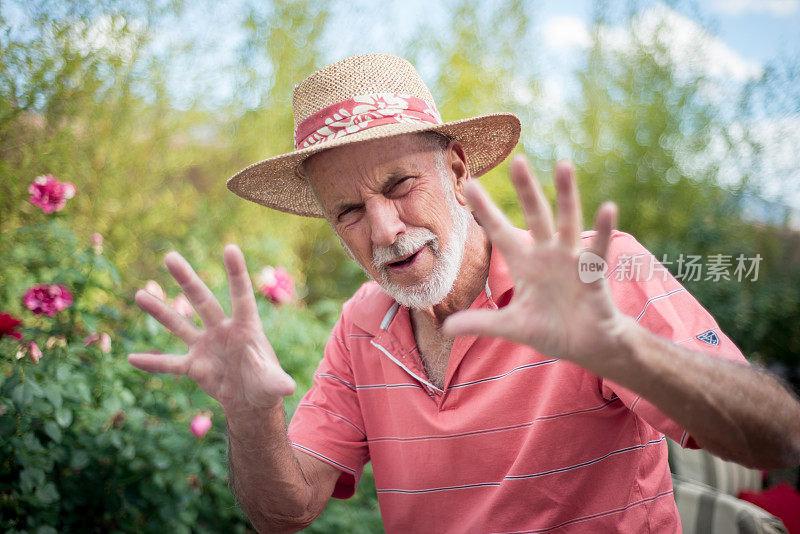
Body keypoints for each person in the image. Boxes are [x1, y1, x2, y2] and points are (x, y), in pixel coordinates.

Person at [128, 54, 800, 533]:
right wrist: (250, 415)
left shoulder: (593, 272)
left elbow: (779, 441)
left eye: (399, 186)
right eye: (349, 213)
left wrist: (624, 351)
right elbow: (285, 512)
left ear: (455, 169)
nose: (385, 229)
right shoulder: (361, 326)